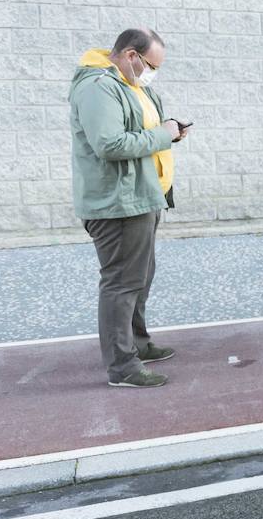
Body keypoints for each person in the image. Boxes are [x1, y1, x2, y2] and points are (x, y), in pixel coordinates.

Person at [69, 28, 188, 389]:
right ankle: (122, 367)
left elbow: (143, 132)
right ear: (131, 56)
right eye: (151, 65)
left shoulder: (132, 85)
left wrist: (171, 131)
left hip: (141, 197)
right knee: (121, 283)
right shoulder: (98, 87)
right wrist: (165, 133)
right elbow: (109, 144)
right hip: (117, 204)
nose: (153, 73)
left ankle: (137, 343)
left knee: (140, 276)